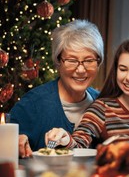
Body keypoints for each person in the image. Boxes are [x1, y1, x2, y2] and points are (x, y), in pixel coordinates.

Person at [45, 38, 129, 148]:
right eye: (123, 69)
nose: (128, 77)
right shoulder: (102, 108)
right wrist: (65, 139)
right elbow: (79, 144)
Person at [10, 19, 104, 157]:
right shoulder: (31, 105)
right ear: (58, 62)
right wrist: (12, 143)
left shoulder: (104, 103)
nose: (81, 70)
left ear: (98, 63)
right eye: (72, 60)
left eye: (89, 60)